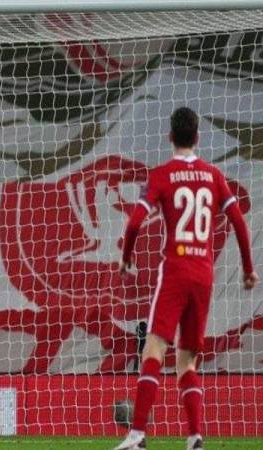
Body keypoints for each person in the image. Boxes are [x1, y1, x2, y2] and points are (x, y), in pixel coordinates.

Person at [114, 107, 259, 450]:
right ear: (197, 137)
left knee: (154, 346)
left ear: (170, 137)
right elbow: (239, 222)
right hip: (204, 274)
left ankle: (136, 435)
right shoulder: (213, 176)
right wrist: (248, 268)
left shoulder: (162, 175)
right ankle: (194, 437)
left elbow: (134, 223)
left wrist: (126, 256)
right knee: (187, 359)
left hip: (176, 269)